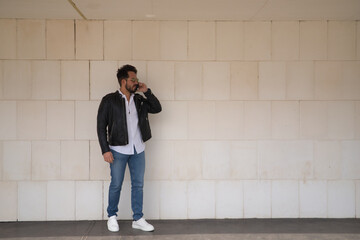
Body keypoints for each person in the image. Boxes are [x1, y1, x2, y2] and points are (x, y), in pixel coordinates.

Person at [97, 64, 161, 232]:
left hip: (138, 149)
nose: (136, 82)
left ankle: (138, 218)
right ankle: (112, 216)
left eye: (136, 79)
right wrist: (105, 150)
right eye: (133, 79)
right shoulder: (109, 100)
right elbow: (100, 126)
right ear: (123, 81)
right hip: (118, 150)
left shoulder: (140, 100)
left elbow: (157, 108)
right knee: (116, 184)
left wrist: (146, 91)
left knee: (138, 185)